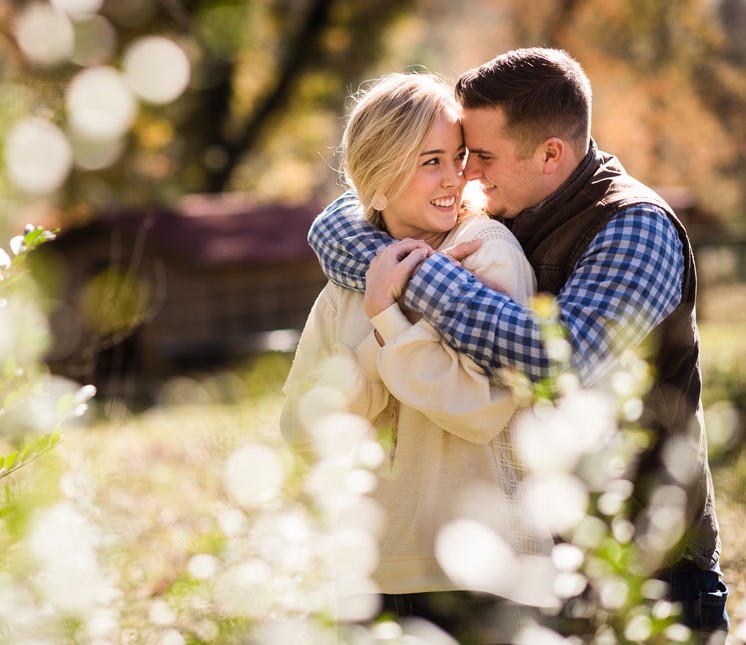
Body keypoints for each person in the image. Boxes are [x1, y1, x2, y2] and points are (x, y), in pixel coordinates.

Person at [307, 47, 728, 641]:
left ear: (550, 153)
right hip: (548, 563)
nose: (464, 175)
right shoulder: (508, 213)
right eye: (454, 155)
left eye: (478, 156)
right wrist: (371, 245)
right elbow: (350, 212)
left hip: (649, 568)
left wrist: (413, 277)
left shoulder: (635, 226)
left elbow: (562, 365)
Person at [280, 71, 549, 643]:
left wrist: (391, 321)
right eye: (431, 161)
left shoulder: (486, 253)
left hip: (485, 569)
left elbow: (483, 409)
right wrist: (381, 327)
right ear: (378, 179)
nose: (456, 178)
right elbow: (303, 432)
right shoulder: (346, 288)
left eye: (459, 156)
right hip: (372, 572)